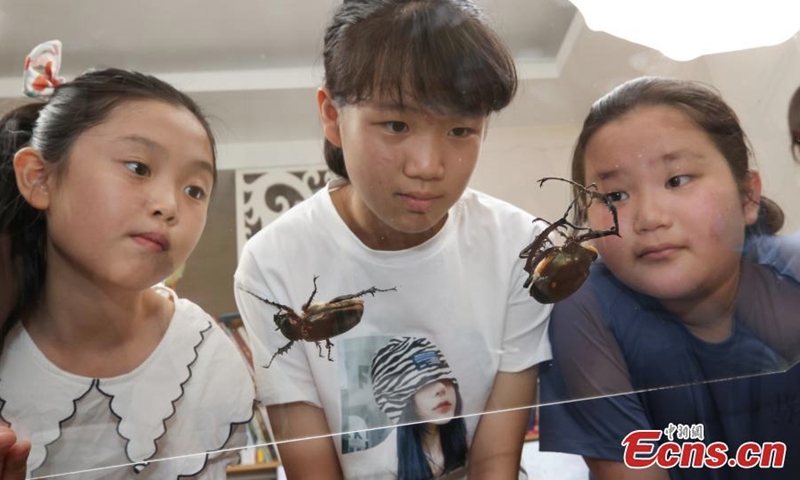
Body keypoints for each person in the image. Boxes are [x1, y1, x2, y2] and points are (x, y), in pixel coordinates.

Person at [233, 1, 552, 478]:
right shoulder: (274, 262)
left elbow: (495, 460)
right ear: (332, 116)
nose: (427, 165)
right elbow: (311, 466)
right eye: (396, 125)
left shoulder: (522, 249)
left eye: (460, 130)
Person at [0, 41, 255, 479]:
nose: (168, 205)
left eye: (194, 189)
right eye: (138, 167)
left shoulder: (206, 360)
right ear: (40, 178)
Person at [537, 76, 800, 480]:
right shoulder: (586, 306)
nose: (649, 218)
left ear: (747, 196)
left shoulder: (789, 276)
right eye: (615, 197)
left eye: (676, 181)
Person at [370, 336, 468, 479]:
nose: (441, 387)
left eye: (443, 376)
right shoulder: (384, 464)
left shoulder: (469, 440)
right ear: (401, 400)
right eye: (425, 382)